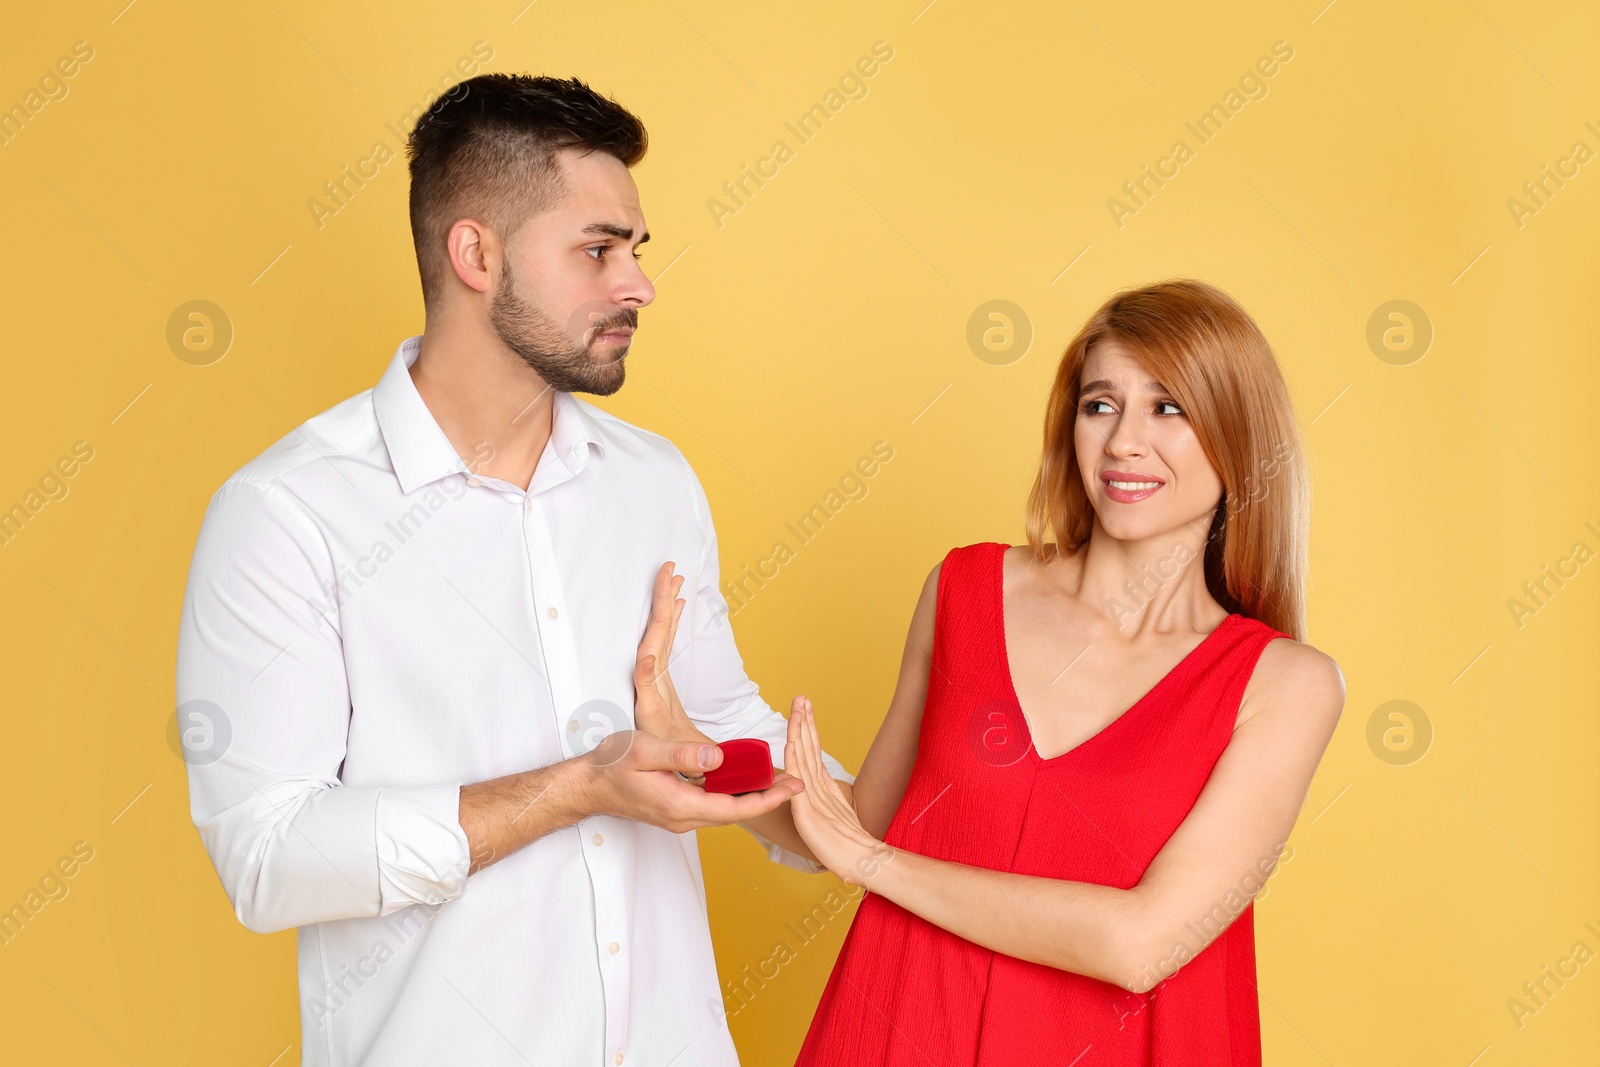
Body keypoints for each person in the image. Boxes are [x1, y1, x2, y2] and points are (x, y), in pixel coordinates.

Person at [174, 73, 853, 1067]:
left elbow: (717, 729)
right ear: (477, 253)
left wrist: (868, 813)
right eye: (597, 250)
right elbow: (269, 856)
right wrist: (580, 785)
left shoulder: (653, 480)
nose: (639, 283)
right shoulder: (289, 514)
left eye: (635, 248)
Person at [776, 280, 1346, 1064]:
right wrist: (693, 759)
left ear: (1237, 432)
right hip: (902, 1030)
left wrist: (876, 865)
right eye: (1100, 404)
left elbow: (1142, 942)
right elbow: (857, 822)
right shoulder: (962, 590)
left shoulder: (1285, 686)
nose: (1123, 443)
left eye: (1169, 407)